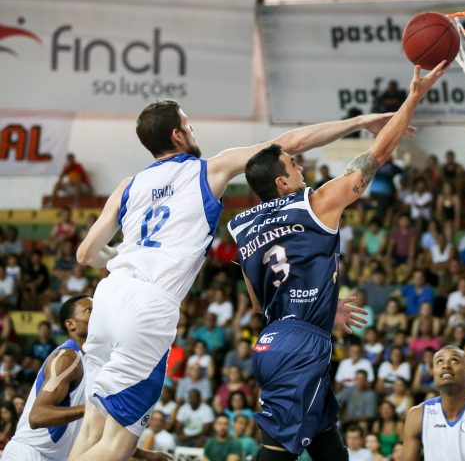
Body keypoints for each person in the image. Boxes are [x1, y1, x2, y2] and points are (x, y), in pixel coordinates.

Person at [71, 98, 403, 460]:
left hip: (107, 297)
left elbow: (86, 254)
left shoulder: (128, 185)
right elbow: (289, 142)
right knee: (117, 446)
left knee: (92, 429)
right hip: (148, 305)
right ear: (178, 135)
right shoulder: (207, 170)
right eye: (188, 124)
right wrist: (359, 121)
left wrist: (124, 258)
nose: (193, 130)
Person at [227, 62, 447, 461]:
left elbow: (259, 303)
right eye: (294, 164)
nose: (301, 166)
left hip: (274, 339)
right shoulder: (314, 204)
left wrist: (322, 308)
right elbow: (376, 155)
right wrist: (413, 98)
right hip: (300, 346)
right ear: (281, 182)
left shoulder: (242, 226)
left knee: (327, 440)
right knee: (276, 453)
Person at [5, 295, 168, 461]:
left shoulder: (99, 364)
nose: (97, 315)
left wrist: (144, 455)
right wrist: (92, 409)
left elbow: (99, 431)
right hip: (29, 452)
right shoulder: (67, 358)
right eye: (89, 310)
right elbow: (37, 416)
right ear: (71, 324)